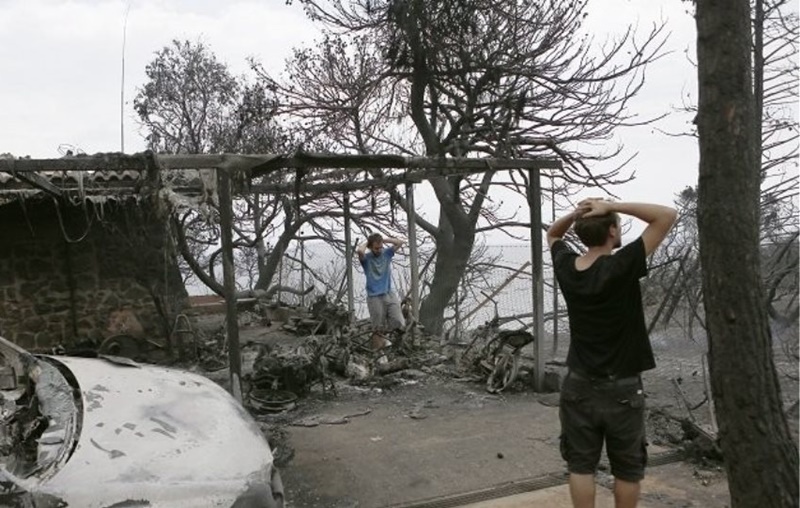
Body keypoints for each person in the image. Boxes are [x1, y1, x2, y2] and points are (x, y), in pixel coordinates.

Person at [546, 198, 677, 508]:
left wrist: (575, 215)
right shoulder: (622, 265)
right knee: (628, 470)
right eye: (617, 225)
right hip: (623, 387)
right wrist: (611, 204)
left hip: (577, 385)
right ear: (613, 232)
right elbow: (667, 216)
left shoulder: (567, 266)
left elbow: (553, 234)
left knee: (580, 466)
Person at [356, 233, 406, 350]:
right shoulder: (367, 259)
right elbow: (360, 251)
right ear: (370, 247)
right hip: (374, 297)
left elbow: (399, 242)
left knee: (399, 321)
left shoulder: (386, 254)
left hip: (389, 293)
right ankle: (377, 354)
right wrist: (367, 243)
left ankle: (395, 347)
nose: (379, 250)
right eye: (376, 248)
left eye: (380, 247)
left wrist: (383, 240)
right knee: (378, 328)